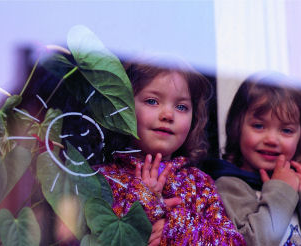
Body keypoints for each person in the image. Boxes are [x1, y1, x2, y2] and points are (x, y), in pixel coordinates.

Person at [93, 56, 245, 246]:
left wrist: (175, 227)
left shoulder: (199, 184)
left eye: (181, 107)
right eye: (152, 101)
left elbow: (233, 242)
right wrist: (144, 203)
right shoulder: (101, 179)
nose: (168, 115)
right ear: (124, 107)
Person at [209, 71, 301, 246]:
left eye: (286, 130)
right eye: (259, 126)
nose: (271, 139)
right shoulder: (229, 187)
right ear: (236, 127)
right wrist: (282, 190)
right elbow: (251, 242)